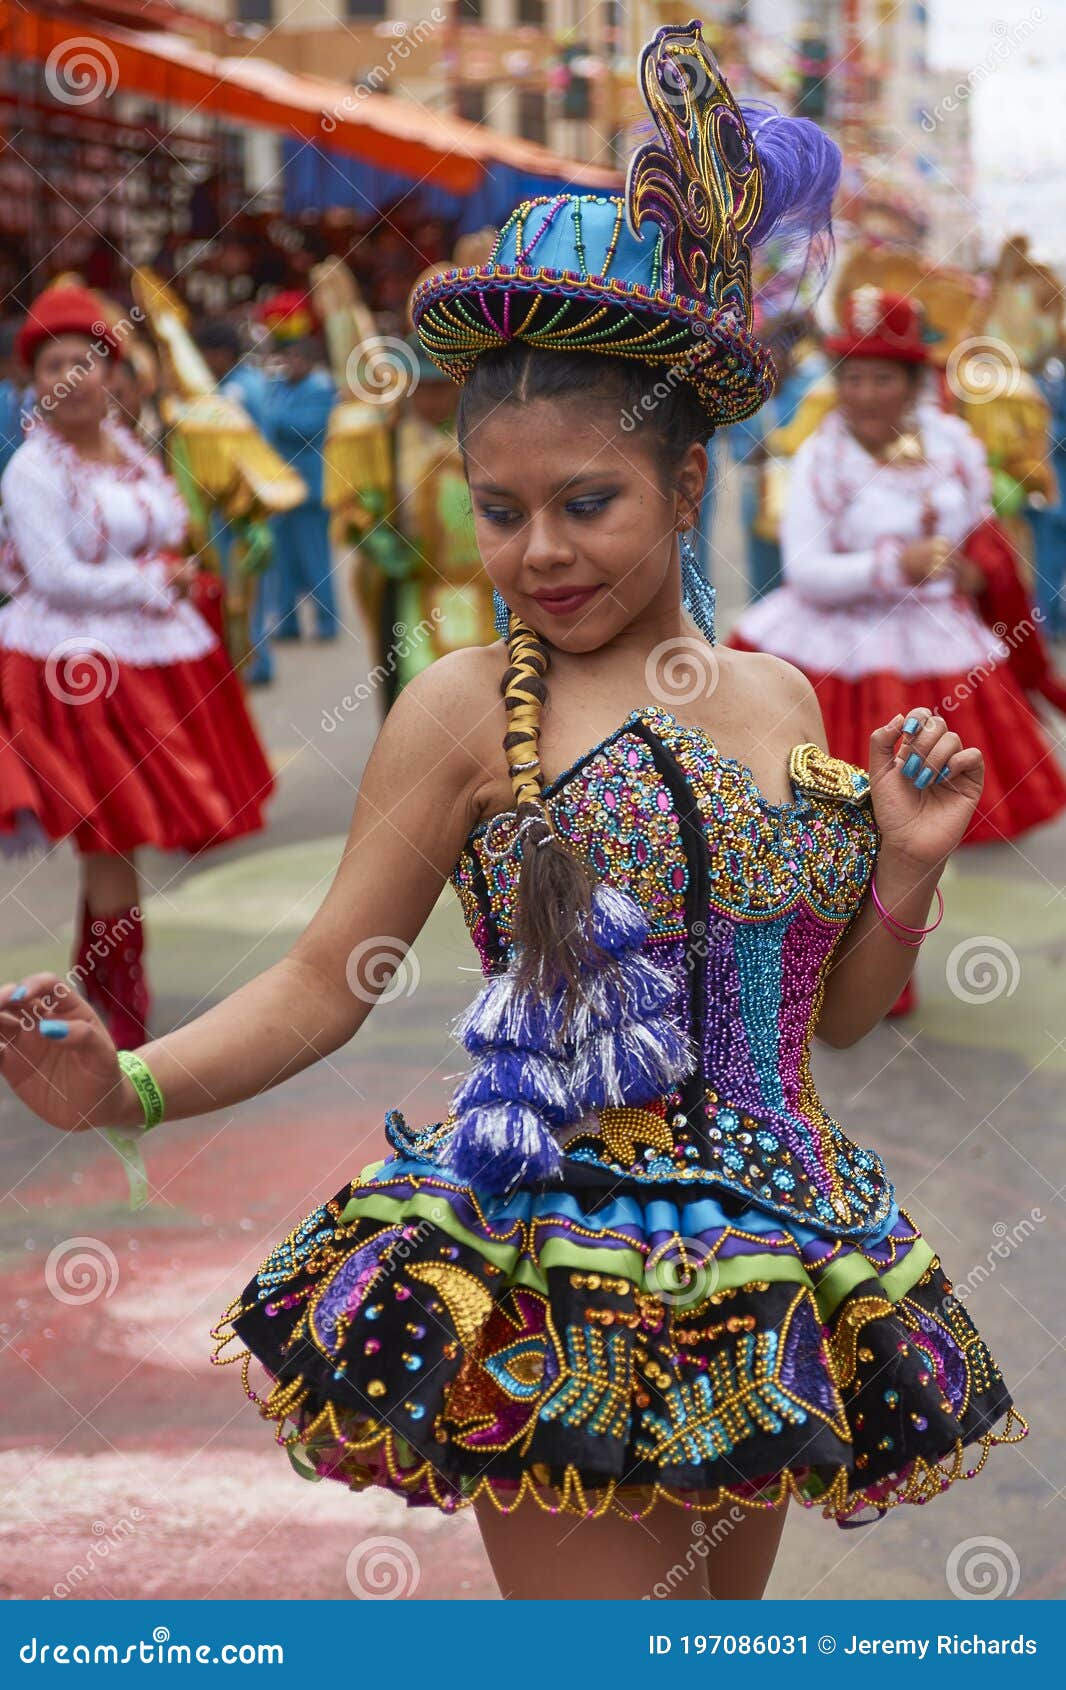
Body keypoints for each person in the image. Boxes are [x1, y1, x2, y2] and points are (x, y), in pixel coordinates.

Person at [0, 30, 1024, 1601]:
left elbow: (842, 1026)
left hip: (773, 1260)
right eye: (499, 508)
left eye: (586, 502)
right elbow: (319, 977)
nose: (538, 549)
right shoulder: (463, 705)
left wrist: (901, 863)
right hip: (560, 1272)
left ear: (688, 490)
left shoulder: (776, 700)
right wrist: (124, 1085)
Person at [0, 285, 276, 1046]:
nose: (72, 376)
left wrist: (176, 574)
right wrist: (156, 581)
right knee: (113, 829)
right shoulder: (30, 471)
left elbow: (162, 532)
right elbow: (54, 576)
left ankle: (103, 998)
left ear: (110, 372)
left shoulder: (128, 450)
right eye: (53, 363)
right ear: (34, 380)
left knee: (122, 836)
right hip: (73, 667)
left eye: (84, 360)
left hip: (150, 652)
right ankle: (117, 1009)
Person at [731, 285, 1066, 854]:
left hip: (937, 633)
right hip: (828, 638)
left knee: (938, 811)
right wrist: (893, 566)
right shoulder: (818, 457)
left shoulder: (952, 446)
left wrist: (975, 570)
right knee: (810, 816)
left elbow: (979, 529)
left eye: (881, 378)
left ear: (913, 385)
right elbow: (805, 570)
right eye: (852, 377)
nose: (863, 394)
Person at [194, 319, 277, 684]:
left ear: (227, 353)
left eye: (213, 353)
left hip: (246, 504)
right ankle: (243, 657)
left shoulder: (241, 390)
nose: (208, 360)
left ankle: (253, 661)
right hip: (224, 502)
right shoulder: (229, 386)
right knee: (234, 582)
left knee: (247, 583)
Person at [260, 331, 338, 643]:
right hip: (280, 489)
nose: (290, 364)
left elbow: (305, 426)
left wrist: (271, 416)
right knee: (283, 563)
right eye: (286, 358)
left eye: (296, 358)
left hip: (310, 490)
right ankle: (289, 625)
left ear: (309, 361)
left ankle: (327, 623)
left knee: (316, 560)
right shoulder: (279, 387)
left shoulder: (319, 388)